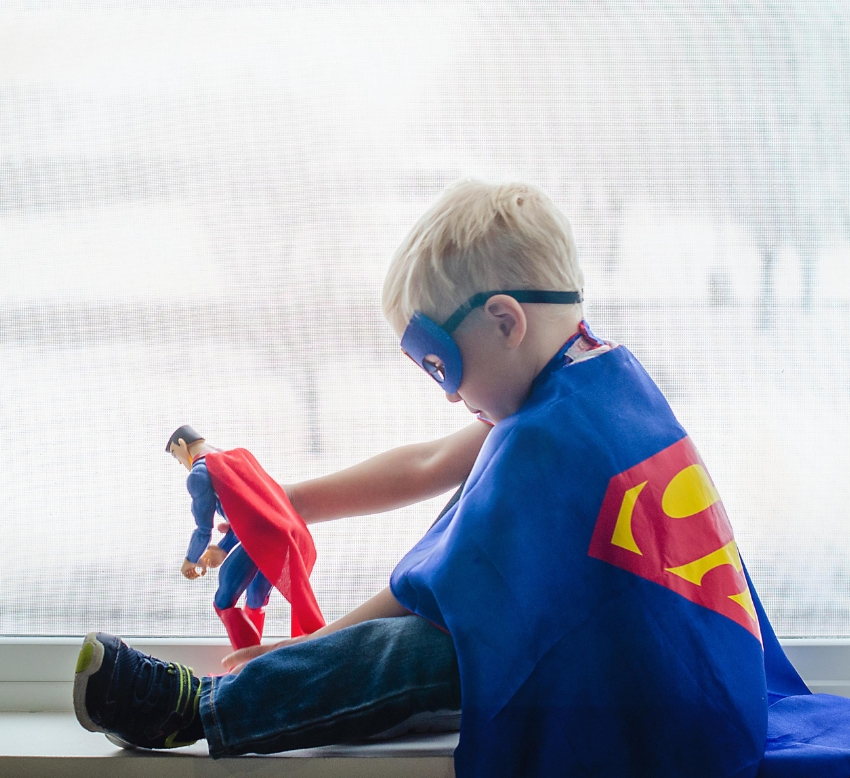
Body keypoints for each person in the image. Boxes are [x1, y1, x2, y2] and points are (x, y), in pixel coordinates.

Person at [73, 179, 850, 776]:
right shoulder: (594, 375)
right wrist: (288, 505)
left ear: (507, 321)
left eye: (442, 364)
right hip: (690, 674)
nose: (446, 392)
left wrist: (295, 653)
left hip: (646, 690)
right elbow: (433, 463)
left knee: (417, 655)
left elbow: (430, 597)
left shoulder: (552, 440)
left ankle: (196, 710)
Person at [166, 425, 326, 649]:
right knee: (256, 595)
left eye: (176, 456)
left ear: (182, 445)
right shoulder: (238, 457)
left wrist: (190, 560)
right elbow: (251, 513)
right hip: (289, 532)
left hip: (266, 537)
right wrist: (223, 547)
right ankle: (256, 664)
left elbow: (203, 529)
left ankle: (248, 663)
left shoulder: (199, 474)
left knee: (224, 600)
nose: (181, 463)